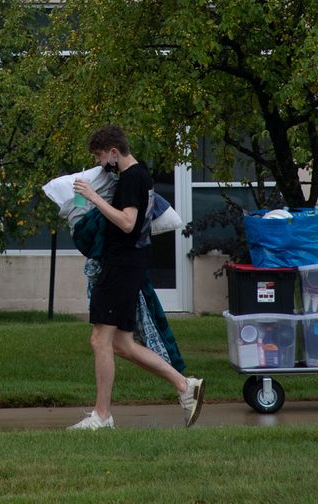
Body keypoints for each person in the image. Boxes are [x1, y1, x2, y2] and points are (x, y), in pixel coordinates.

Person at [68, 126, 204, 430]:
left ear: (114, 152)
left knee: (99, 340)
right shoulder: (140, 174)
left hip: (120, 267)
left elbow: (128, 223)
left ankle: (102, 416)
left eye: (101, 157)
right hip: (129, 266)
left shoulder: (131, 178)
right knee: (122, 344)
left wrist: (92, 197)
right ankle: (186, 386)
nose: (101, 164)